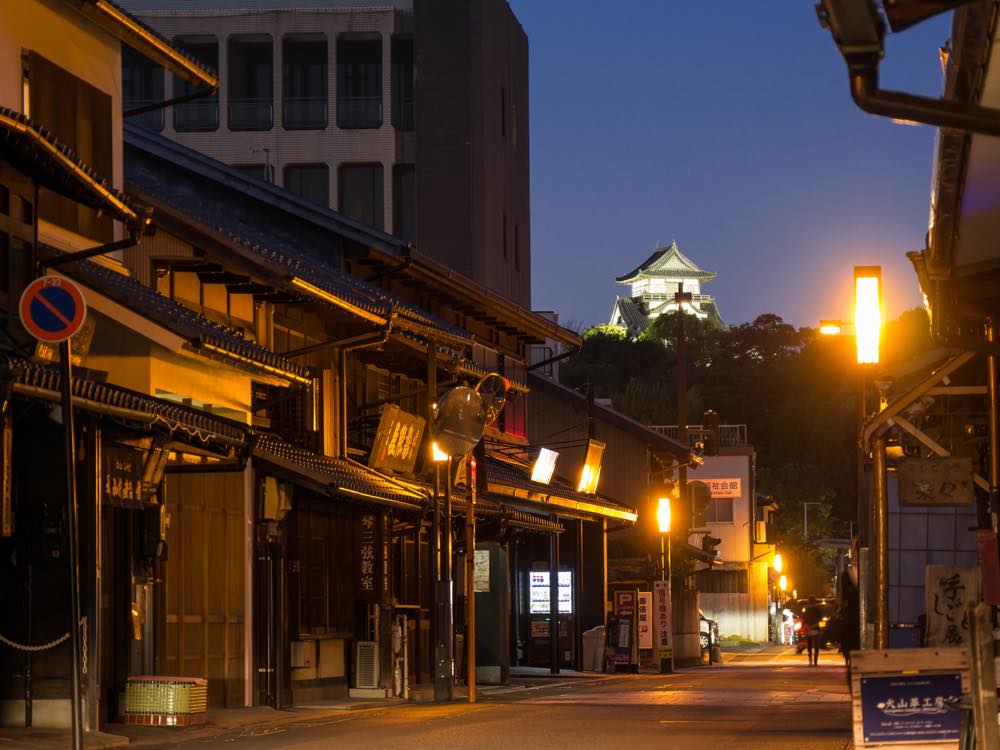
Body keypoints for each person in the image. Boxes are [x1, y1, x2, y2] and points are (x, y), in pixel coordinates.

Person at [838, 565, 860, 684]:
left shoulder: (846, 575)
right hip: (853, 624)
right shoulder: (846, 575)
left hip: (851, 623)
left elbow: (844, 598)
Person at [802, 596, 823, 666]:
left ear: (809, 602)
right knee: (816, 646)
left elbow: (804, 620)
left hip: (809, 630)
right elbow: (820, 620)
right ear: (815, 602)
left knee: (809, 646)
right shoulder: (818, 610)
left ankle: (810, 661)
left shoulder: (807, 610)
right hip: (816, 629)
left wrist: (808, 627)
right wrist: (814, 626)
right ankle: (815, 662)